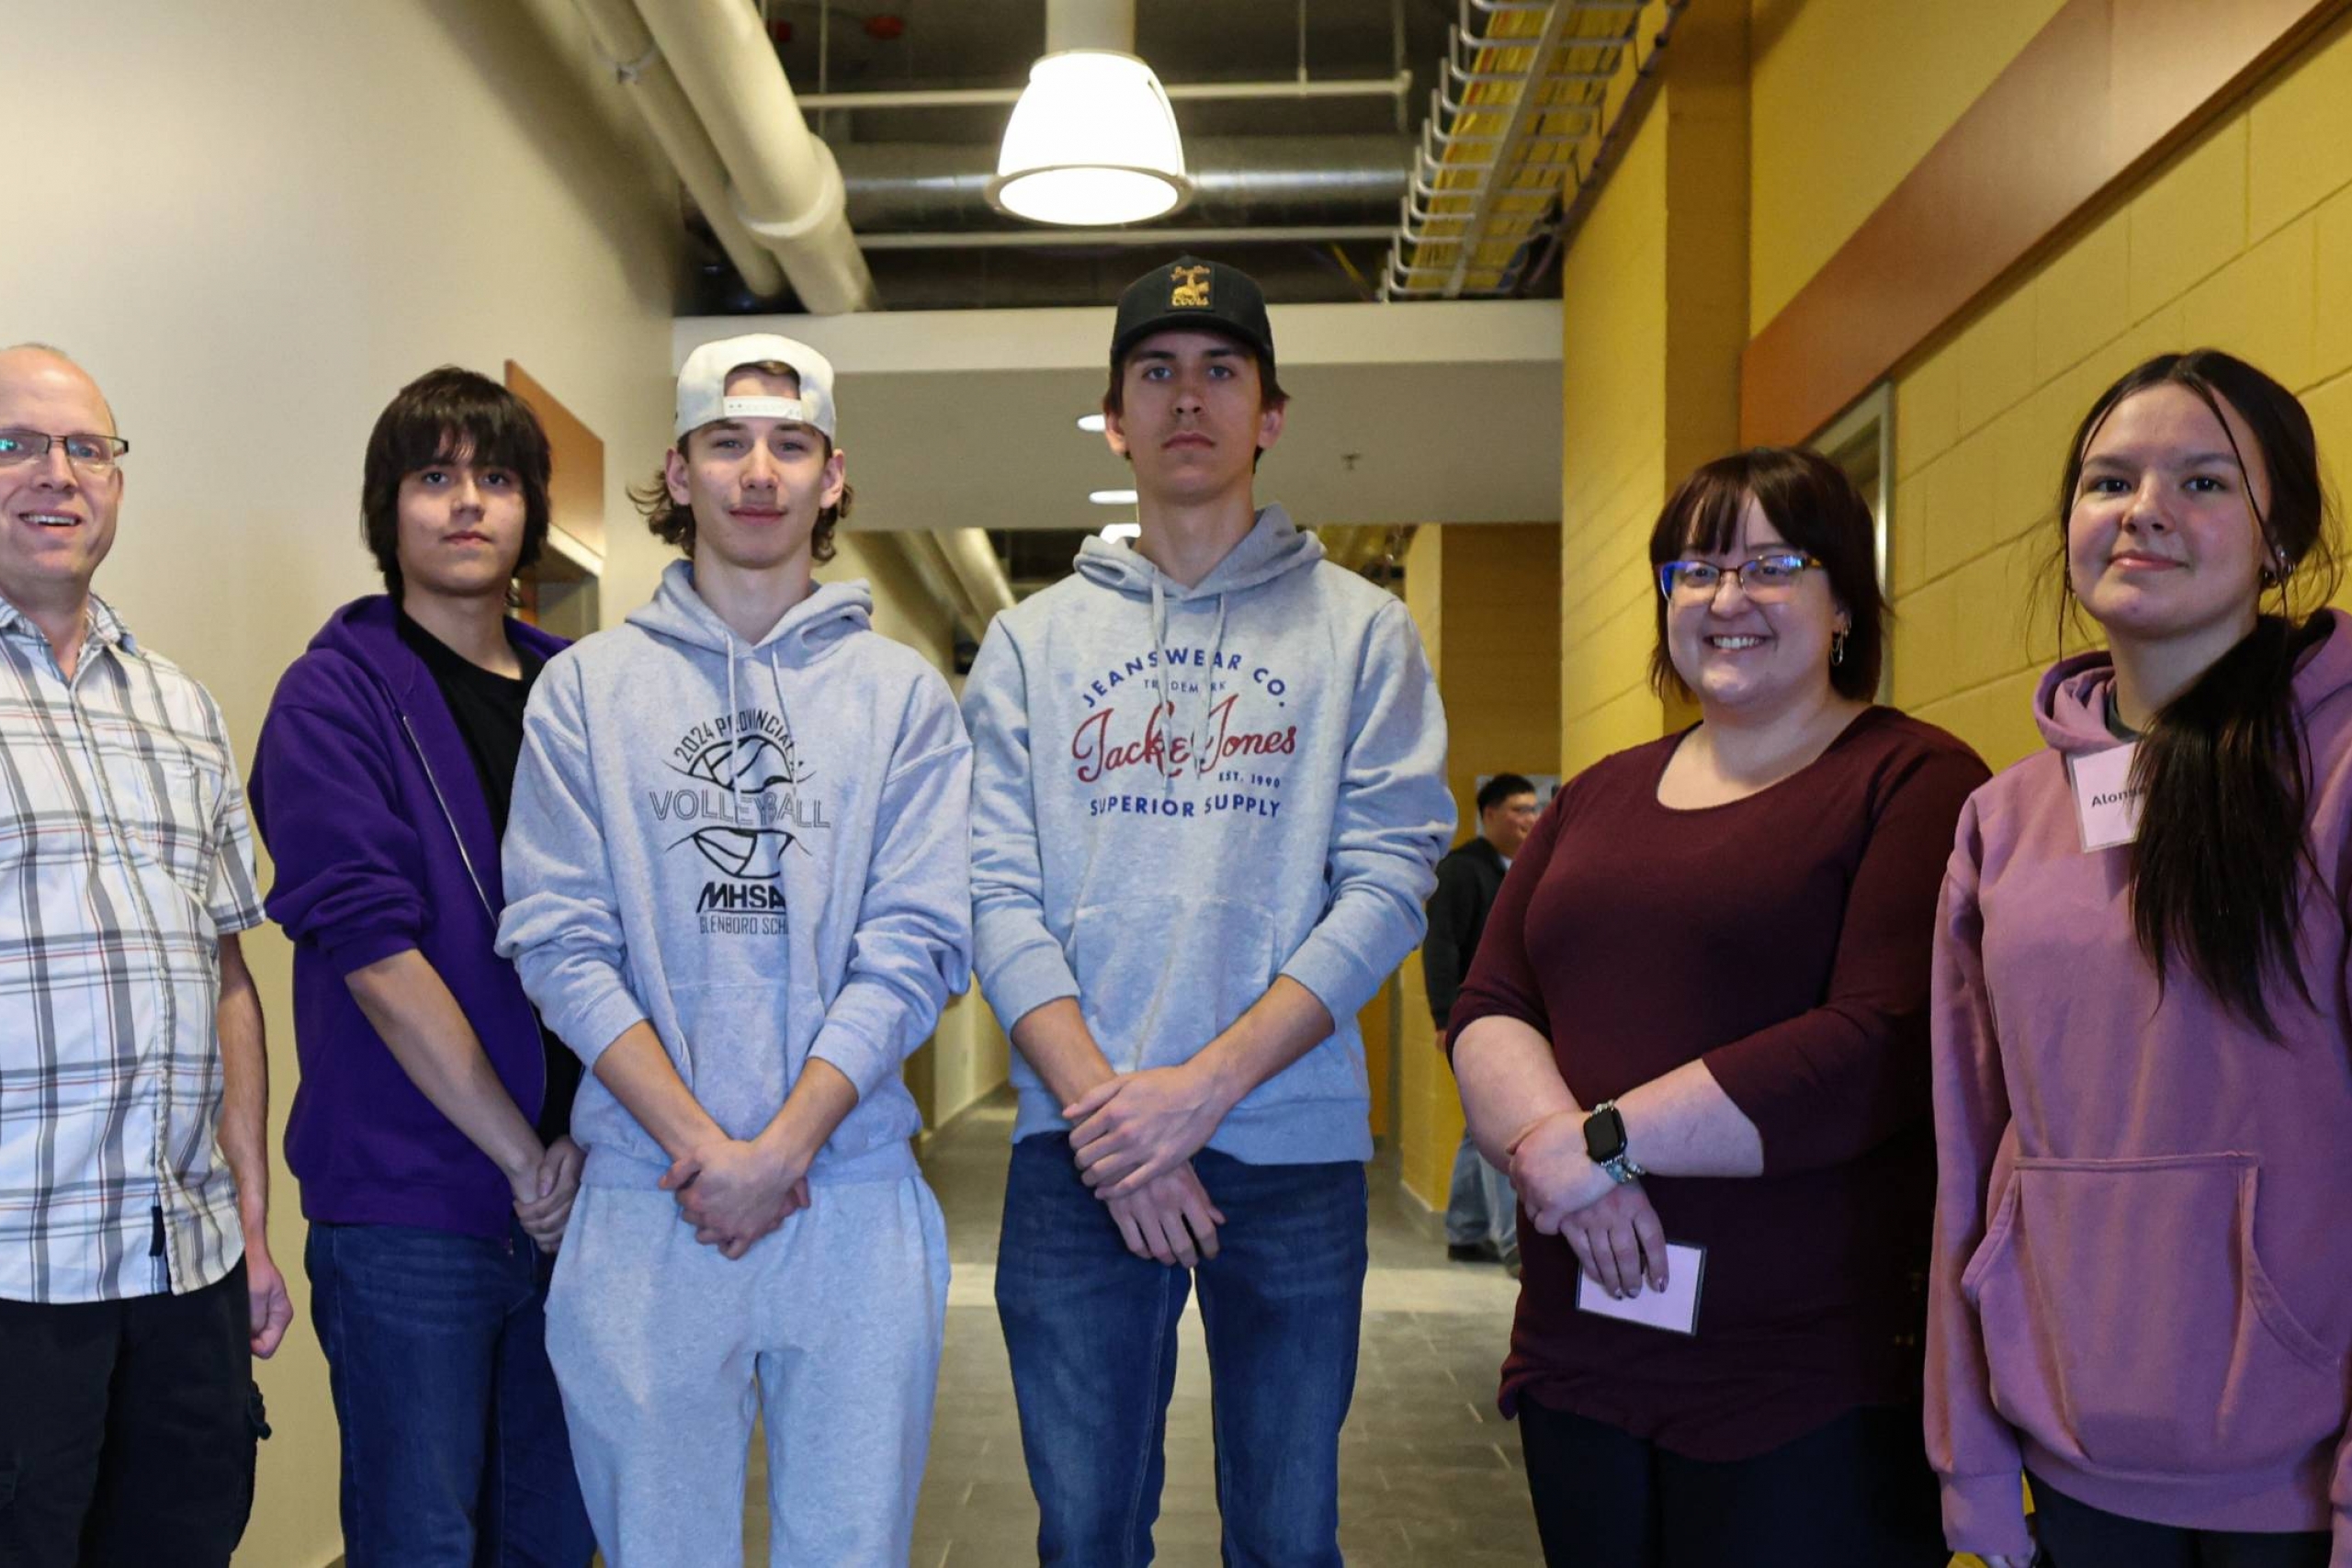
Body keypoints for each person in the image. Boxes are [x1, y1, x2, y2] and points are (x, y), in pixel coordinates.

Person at [965, 254, 1454, 1567]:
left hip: (1289, 1147)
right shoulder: (1029, 643)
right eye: (1157, 372)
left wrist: (1200, 1089)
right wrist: (1118, 1118)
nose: (1191, 398)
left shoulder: (1363, 633)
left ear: (1271, 414)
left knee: (1288, 1537)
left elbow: (1392, 874)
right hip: (1079, 1154)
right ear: (1115, 418)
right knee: (1086, 1532)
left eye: (1222, 370)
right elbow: (992, 890)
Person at [1450, 446, 1988, 1567]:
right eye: (1693, 569)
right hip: (1584, 1347)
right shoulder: (1597, 793)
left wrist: (1595, 1147)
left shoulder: (1912, 780)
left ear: (1843, 599)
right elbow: (1493, 999)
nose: (1726, 598)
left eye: (1773, 563)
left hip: (1802, 1373)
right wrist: (1568, 1160)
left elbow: (1875, 1043)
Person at [496, 333, 970, 1567]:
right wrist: (706, 1147)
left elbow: (914, 942)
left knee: (850, 1547)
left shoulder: (904, 695)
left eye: (789, 443)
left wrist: (786, 1144)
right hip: (648, 1195)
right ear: (680, 469)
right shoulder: (587, 691)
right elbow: (559, 937)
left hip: (852, 1193)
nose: (758, 469)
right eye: (728, 440)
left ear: (832, 476)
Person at [1927, 350, 2352, 1568]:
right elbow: (1970, 1146)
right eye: (2109, 479)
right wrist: (1969, 1452)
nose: (2144, 509)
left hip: (2300, 1477)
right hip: (2072, 1454)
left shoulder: (2340, 772)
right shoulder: (2004, 817)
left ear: (2283, 539)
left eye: (2205, 481)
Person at [249, 367, 594, 1564]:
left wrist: (585, 1158)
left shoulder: (579, 692)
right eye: (433, 476)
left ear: (531, 511)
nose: (466, 504)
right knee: (420, 1540)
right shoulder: (333, 696)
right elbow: (375, 954)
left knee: (553, 1536)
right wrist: (521, 1155)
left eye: (496, 478)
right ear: (385, 506)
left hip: (584, 1202)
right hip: (412, 1211)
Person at [0, 344, 290, 1567]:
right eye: (15, 443)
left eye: (86, 448)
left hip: (186, 1268)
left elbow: (226, 975)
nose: (54, 475)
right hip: (15, 1274)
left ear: (118, 481)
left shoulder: (182, 707)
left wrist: (256, 1225)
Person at [1427, 772, 1541, 1268]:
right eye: (1518, 809)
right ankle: (1511, 1242)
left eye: (1533, 809)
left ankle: (1466, 1230)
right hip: (1476, 1018)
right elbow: (1442, 943)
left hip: (1513, 1014)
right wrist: (1443, 1016)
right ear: (1489, 814)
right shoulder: (1460, 870)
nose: (1529, 819)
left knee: (1479, 1126)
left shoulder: (1521, 869)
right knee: (1500, 1123)